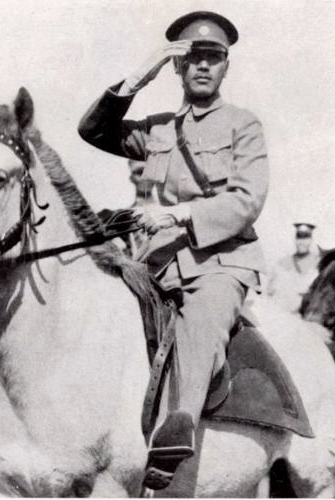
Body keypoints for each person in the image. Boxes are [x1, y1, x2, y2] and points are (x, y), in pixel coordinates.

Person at [78, 10, 268, 489]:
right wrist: (139, 76)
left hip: (220, 264)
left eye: (213, 58)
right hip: (154, 265)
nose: (203, 66)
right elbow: (94, 131)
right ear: (178, 69)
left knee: (202, 319)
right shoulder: (159, 129)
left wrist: (182, 215)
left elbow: (247, 198)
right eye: (192, 59)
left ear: (225, 67)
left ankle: (177, 425)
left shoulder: (244, 126)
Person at [267, 223, 320, 313]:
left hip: (306, 318)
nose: (301, 242)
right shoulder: (282, 263)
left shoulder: (319, 264)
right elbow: (269, 292)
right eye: (299, 237)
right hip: (281, 315)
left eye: (306, 237)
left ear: (311, 239)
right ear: (295, 239)